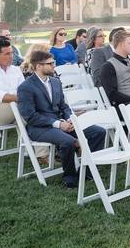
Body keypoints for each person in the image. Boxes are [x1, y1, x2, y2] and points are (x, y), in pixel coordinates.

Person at [17, 50, 107, 188]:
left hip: (62, 122)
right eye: (50, 63)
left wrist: (69, 119)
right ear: (38, 66)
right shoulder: (25, 87)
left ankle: (87, 171)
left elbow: (63, 106)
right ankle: (69, 177)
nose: (54, 65)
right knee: (68, 141)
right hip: (40, 128)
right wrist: (58, 124)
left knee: (98, 132)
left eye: (53, 62)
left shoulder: (55, 82)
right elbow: (30, 117)